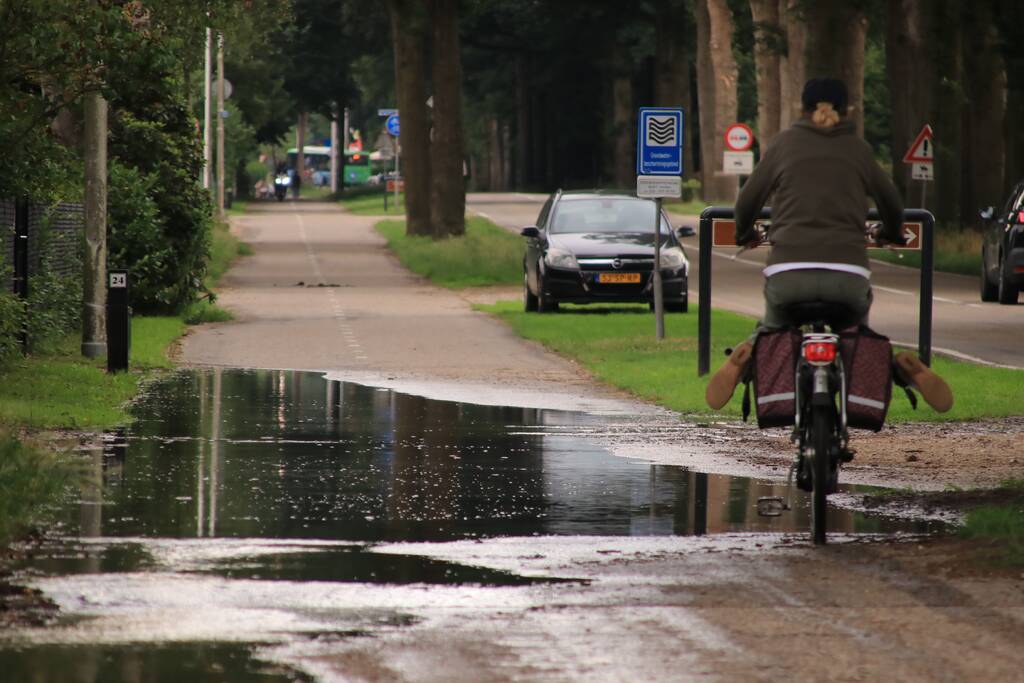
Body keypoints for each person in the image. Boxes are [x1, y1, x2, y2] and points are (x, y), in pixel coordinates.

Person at [706, 77, 952, 412]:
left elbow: (746, 203)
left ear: (802, 107)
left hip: (788, 273)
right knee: (856, 333)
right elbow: (892, 204)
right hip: (847, 275)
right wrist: (890, 232)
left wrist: (743, 233)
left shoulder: (784, 144)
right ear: (847, 108)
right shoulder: (858, 149)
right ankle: (896, 364)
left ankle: (746, 354)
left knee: (773, 329)